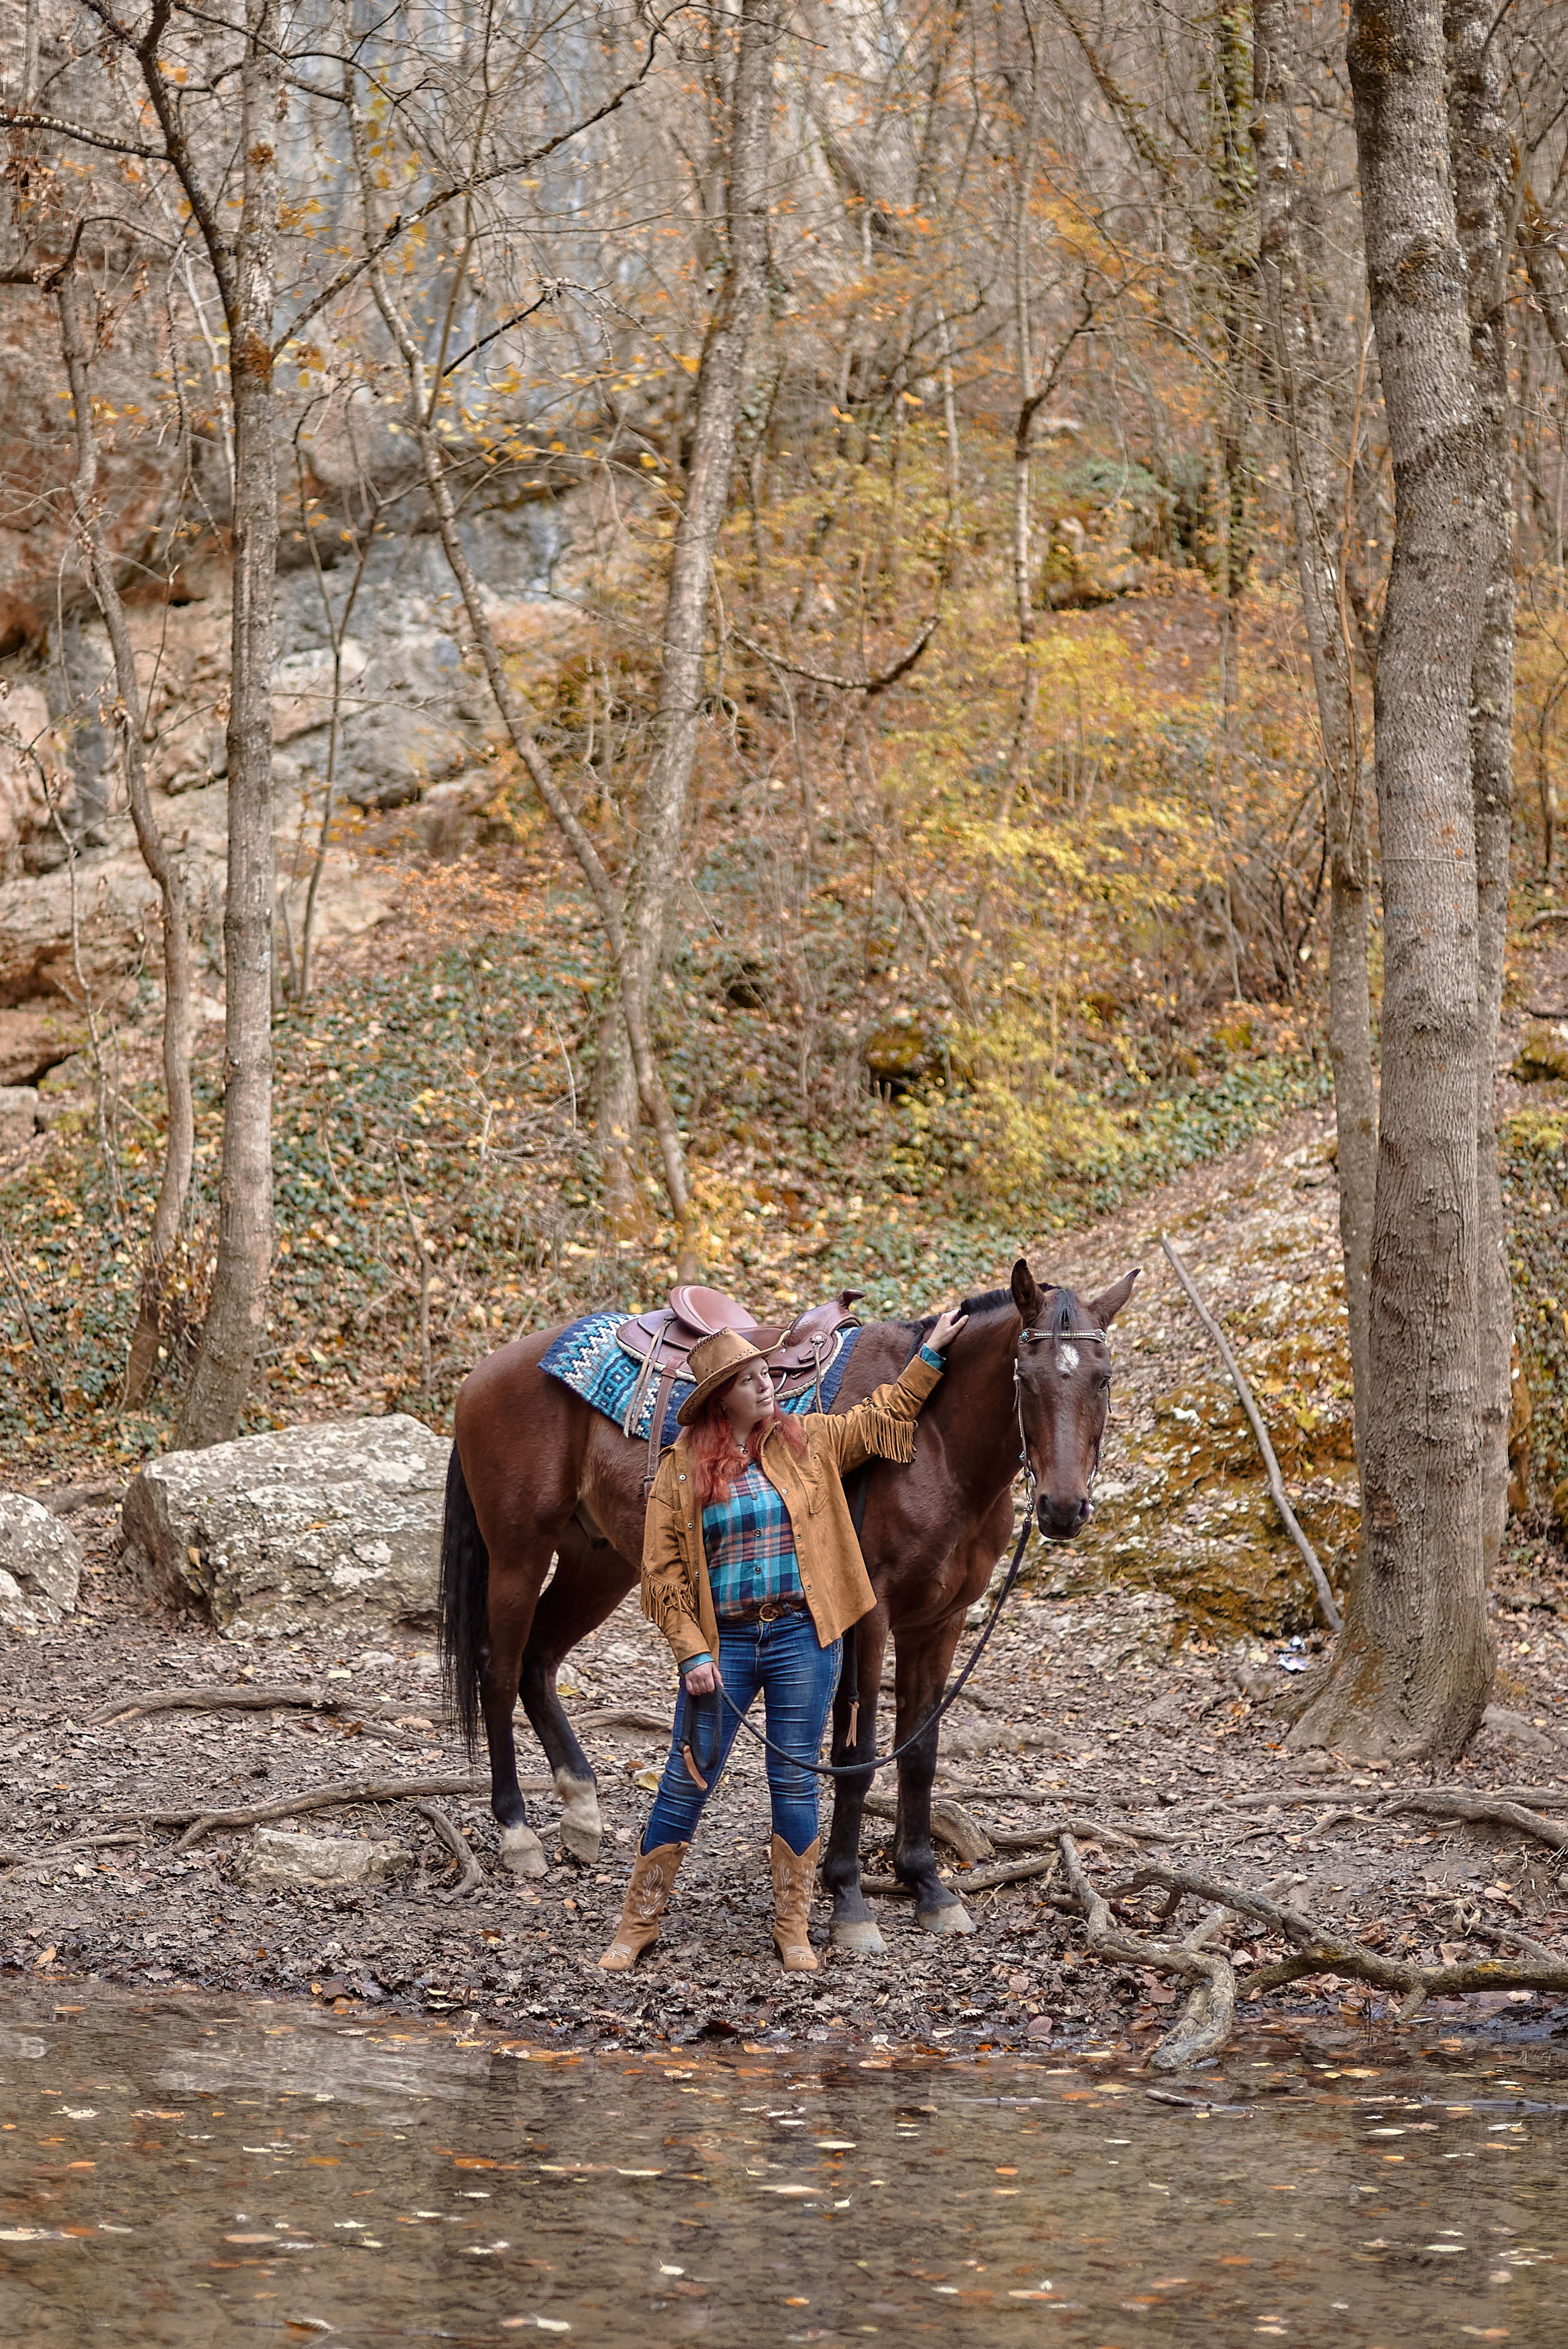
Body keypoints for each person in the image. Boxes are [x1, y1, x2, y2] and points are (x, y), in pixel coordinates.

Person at [599, 1303, 968, 1974]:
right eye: (747, 1380)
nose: (765, 1385)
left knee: (794, 1780)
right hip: (725, 1645)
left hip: (804, 1635)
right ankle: (637, 1922)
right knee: (686, 1779)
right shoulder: (681, 1469)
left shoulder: (809, 1440)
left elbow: (883, 1416)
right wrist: (692, 1651)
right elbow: (662, 1571)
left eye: (764, 1374)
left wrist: (932, 1354)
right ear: (719, 1399)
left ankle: (792, 1925)